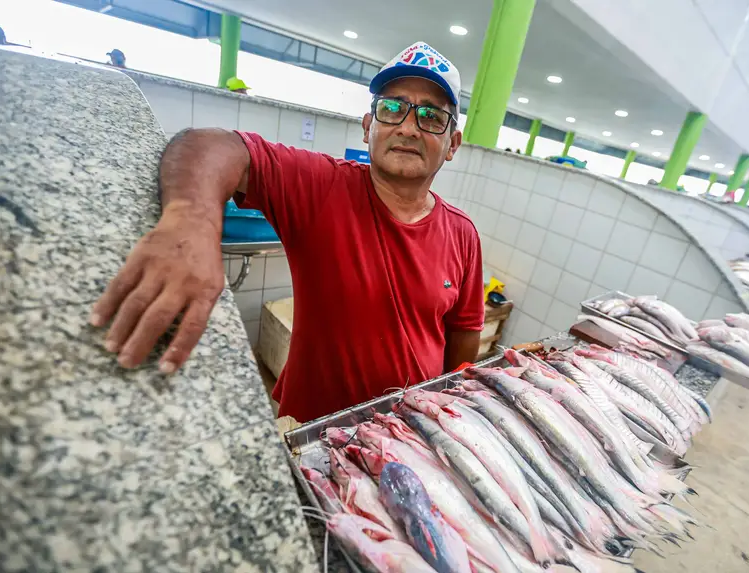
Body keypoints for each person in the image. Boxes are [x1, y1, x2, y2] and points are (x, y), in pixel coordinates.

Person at [90, 41, 483, 422]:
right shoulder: (322, 186)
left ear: (452, 144)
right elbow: (211, 145)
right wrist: (192, 221)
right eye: (392, 108)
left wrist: (447, 406)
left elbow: (463, 334)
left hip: (415, 427)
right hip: (321, 432)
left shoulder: (463, 233)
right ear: (368, 128)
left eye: (431, 117)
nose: (409, 128)